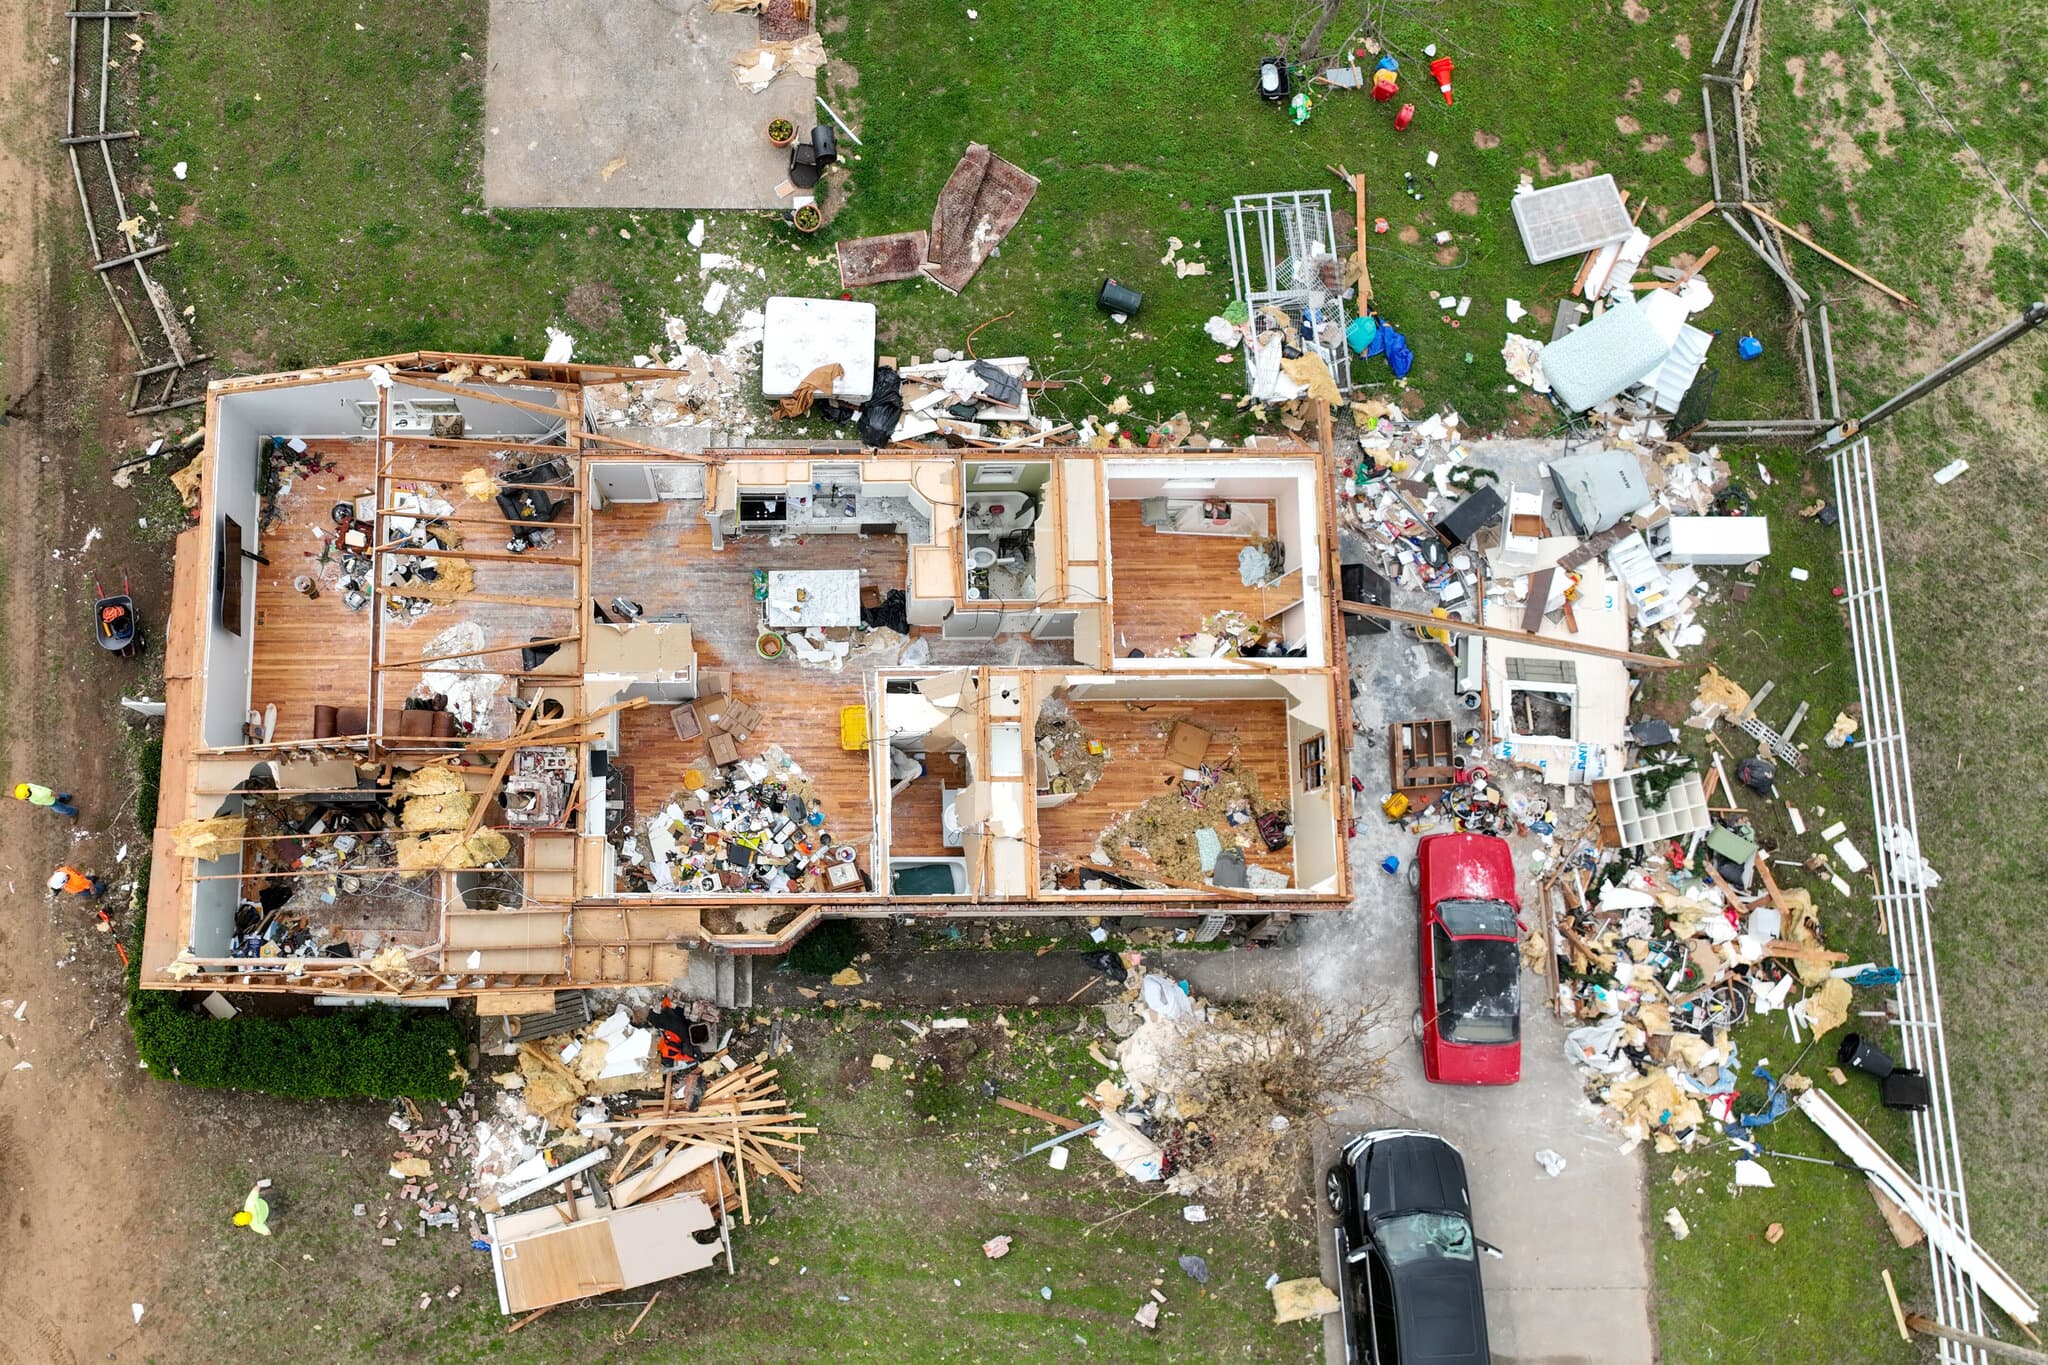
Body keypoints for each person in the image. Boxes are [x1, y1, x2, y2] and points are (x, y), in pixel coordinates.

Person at [12, 783, 77, 818]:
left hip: (51, 801)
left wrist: (57, 796)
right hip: (48, 799)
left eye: (23, 797)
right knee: (60, 797)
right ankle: (66, 797)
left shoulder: (40, 794)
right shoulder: (28, 786)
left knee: (60, 809)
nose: (23, 799)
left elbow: (52, 793)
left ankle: (73, 812)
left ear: (26, 794)